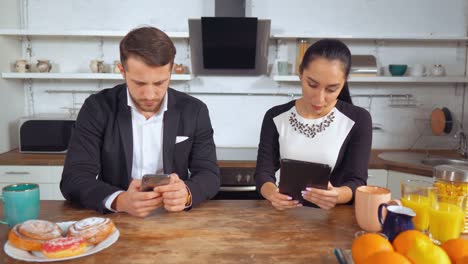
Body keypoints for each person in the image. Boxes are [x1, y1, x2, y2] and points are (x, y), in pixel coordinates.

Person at [61, 27, 220, 217]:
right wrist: (119, 200)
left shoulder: (194, 110)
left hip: (175, 218)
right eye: (139, 83)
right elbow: (74, 178)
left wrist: (186, 193)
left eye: (160, 83)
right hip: (118, 217)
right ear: (122, 71)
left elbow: (209, 175)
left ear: (171, 70)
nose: (150, 95)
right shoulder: (97, 108)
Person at [255, 39, 372, 210]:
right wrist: (272, 194)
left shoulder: (358, 119)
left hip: (333, 221)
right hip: (285, 217)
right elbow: (262, 174)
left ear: (344, 81)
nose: (319, 99)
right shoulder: (276, 116)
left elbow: (357, 182)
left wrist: (337, 195)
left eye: (332, 89)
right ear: (300, 73)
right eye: (312, 84)